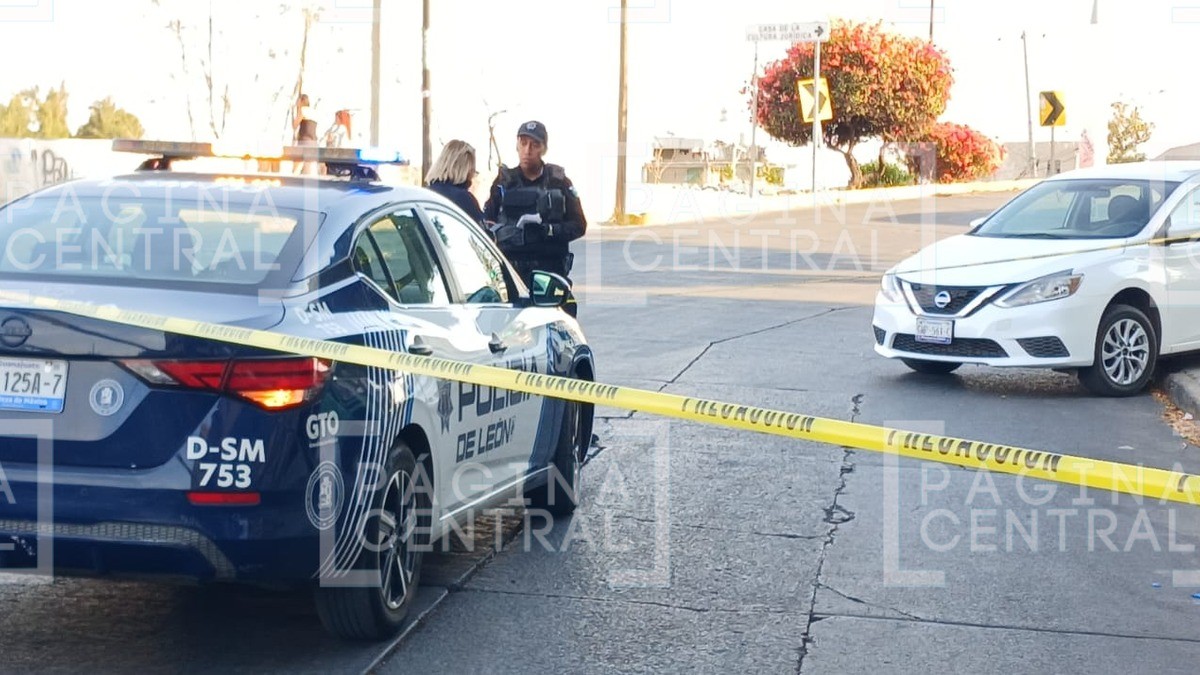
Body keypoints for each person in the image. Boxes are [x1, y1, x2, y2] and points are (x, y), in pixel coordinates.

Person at [483, 120, 586, 309]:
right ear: (516, 145)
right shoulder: (504, 183)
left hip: (550, 274)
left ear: (543, 149)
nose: (527, 150)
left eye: (534, 145)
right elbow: (487, 224)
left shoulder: (559, 182)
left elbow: (579, 225)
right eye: (523, 143)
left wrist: (548, 231)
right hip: (512, 275)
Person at [425, 140, 485, 224]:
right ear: (466, 169)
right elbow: (481, 233)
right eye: (473, 169)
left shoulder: (425, 194)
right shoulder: (464, 199)